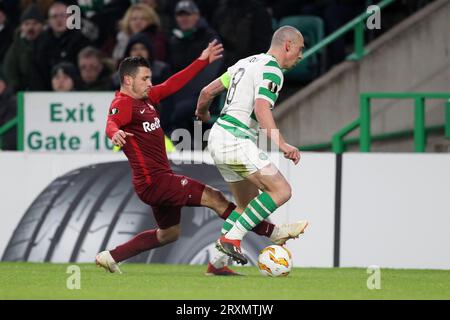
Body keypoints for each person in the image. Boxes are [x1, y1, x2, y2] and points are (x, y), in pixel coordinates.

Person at [96, 40, 304, 276]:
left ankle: (111, 257)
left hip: (156, 181)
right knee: (215, 199)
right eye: (145, 79)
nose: (150, 83)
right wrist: (115, 133)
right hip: (154, 181)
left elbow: (174, 83)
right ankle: (273, 232)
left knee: (168, 234)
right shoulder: (123, 103)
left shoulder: (147, 99)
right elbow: (111, 123)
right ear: (128, 80)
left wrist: (202, 61)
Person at [195, 26, 309, 266]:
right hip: (236, 140)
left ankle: (217, 264)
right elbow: (261, 108)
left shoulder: (245, 63)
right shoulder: (273, 70)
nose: (300, 56)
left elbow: (207, 92)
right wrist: (282, 143)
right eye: (299, 49)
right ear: (287, 45)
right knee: (281, 191)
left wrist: (201, 114)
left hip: (218, 138)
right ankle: (231, 239)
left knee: (245, 206)